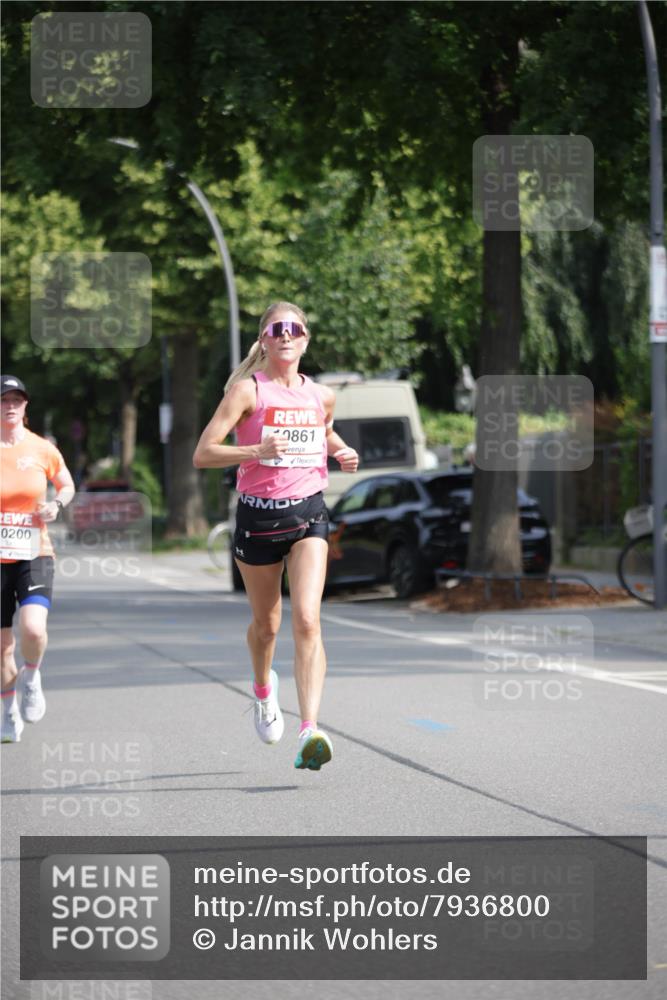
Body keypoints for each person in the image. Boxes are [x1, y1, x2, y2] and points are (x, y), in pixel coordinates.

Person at [193, 302, 359, 770]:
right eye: (277, 329)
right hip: (259, 519)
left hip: (309, 514)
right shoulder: (247, 392)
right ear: (264, 340)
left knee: (307, 619)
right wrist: (255, 450)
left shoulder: (321, 395)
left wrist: (342, 450)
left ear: (306, 340)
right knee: (268, 626)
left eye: (295, 329)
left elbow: (324, 431)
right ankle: (264, 689)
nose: (287, 335)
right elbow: (204, 453)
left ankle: (310, 729)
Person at [1, 376, 75, 743]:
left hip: (34, 551)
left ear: (26, 406)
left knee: (32, 629)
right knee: (2, 646)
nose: (11, 405)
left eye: (17, 400)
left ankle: (31, 675)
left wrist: (55, 505)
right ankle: (8, 708)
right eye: (4, 400)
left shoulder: (42, 449)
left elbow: (66, 484)